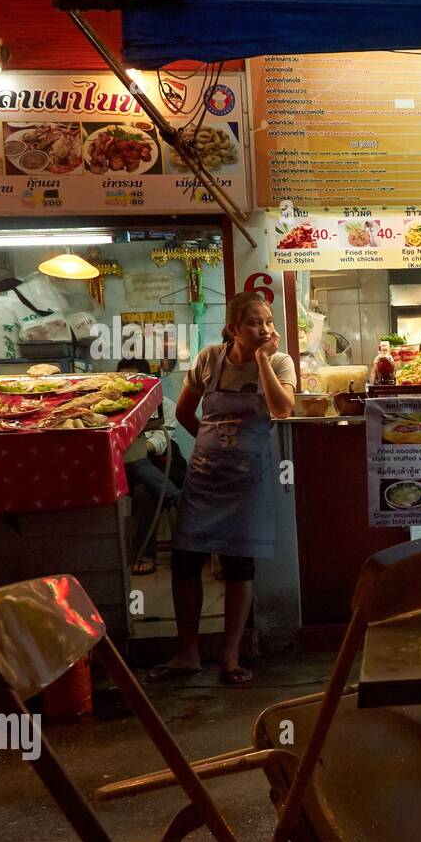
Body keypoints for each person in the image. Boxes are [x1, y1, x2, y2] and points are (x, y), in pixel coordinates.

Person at [147, 293, 295, 685]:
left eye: (267, 321)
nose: (264, 329)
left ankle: (230, 656)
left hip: (249, 480)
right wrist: (214, 445)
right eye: (253, 323)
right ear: (232, 328)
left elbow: (282, 409)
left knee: (238, 564)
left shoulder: (279, 361)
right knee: (185, 561)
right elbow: (182, 412)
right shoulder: (209, 359)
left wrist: (262, 359)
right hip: (205, 476)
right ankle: (188, 654)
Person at [118, 358, 185, 576]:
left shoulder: (164, 405)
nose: (127, 383)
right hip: (123, 469)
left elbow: (161, 439)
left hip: (154, 465)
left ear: (148, 381)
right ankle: (176, 497)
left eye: (133, 379)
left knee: (144, 492)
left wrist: (141, 447)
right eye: (121, 378)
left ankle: (145, 555)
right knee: (133, 463)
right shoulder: (113, 406)